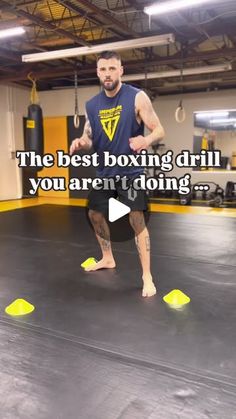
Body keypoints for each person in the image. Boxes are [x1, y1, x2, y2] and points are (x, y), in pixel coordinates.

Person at [70, 50, 165, 297]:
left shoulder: (137, 97)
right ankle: (108, 258)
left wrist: (146, 139)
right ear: (98, 73)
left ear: (121, 70)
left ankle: (147, 275)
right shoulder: (92, 105)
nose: (108, 74)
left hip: (130, 172)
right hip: (104, 173)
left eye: (112, 68)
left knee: (136, 219)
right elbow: (89, 137)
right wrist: (81, 143)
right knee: (94, 214)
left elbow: (159, 130)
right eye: (103, 69)